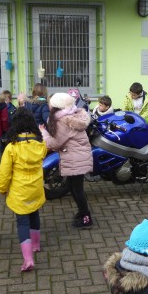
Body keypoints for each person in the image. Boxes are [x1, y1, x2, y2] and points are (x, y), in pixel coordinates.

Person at [0, 108, 48, 272]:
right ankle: (36, 245)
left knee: (22, 222)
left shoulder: (11, 148)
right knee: (34, 213)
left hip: (20, 190)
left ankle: (28, 259)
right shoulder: (40, 144)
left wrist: (2, 189)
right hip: (36, 187)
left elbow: (4, 173)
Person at [40, 92, 94, 229]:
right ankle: (82, 212)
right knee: (73, 187)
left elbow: (55, 143)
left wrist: (43, 133)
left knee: (77, 189)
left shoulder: (63, 121)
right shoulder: (73, 115)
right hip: (78, 156)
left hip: (75, 158)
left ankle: (86, 217)